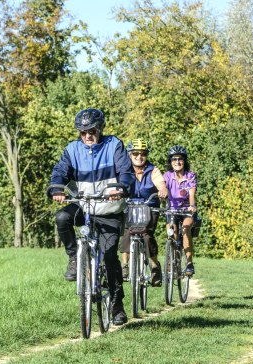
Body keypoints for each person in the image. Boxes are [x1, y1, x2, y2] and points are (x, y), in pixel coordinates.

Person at [48, 108, 135, 326]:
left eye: (92, 131)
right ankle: (74, 258)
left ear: (100, 129)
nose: (87, 135)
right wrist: (56, 189)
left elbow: (126, 172)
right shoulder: (72, 149)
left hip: (109, 209)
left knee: (109, 256)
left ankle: (117, 305)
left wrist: (121, 186)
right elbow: (60, 171)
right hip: (84, 206)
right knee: (62, 219)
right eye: (83, 132)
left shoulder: (114, 145)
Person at [120, 139, 168, 287]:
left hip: (149, 207)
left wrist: (162, 189)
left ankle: (154, 268)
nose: (139, 157)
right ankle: (124, 266)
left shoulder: (153, 170)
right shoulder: (124, 170)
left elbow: (160, 182)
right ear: (130, 154)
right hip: (129, 207)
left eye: (143, 154)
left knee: (147, 235)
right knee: (127, 233)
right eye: (135, 153)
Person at [163, 145, 197, 276]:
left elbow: (192, 194)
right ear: (170, 162)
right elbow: (162, 188)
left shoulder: (190, 175)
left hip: (186, 210)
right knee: (172, 233)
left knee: (185, 228)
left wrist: (192, 206)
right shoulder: (166, 176)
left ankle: (189, 263)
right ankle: (172, 262)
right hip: (171, 210)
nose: (177, 162)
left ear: (184, 161)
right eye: (174, 159)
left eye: (180, 159)